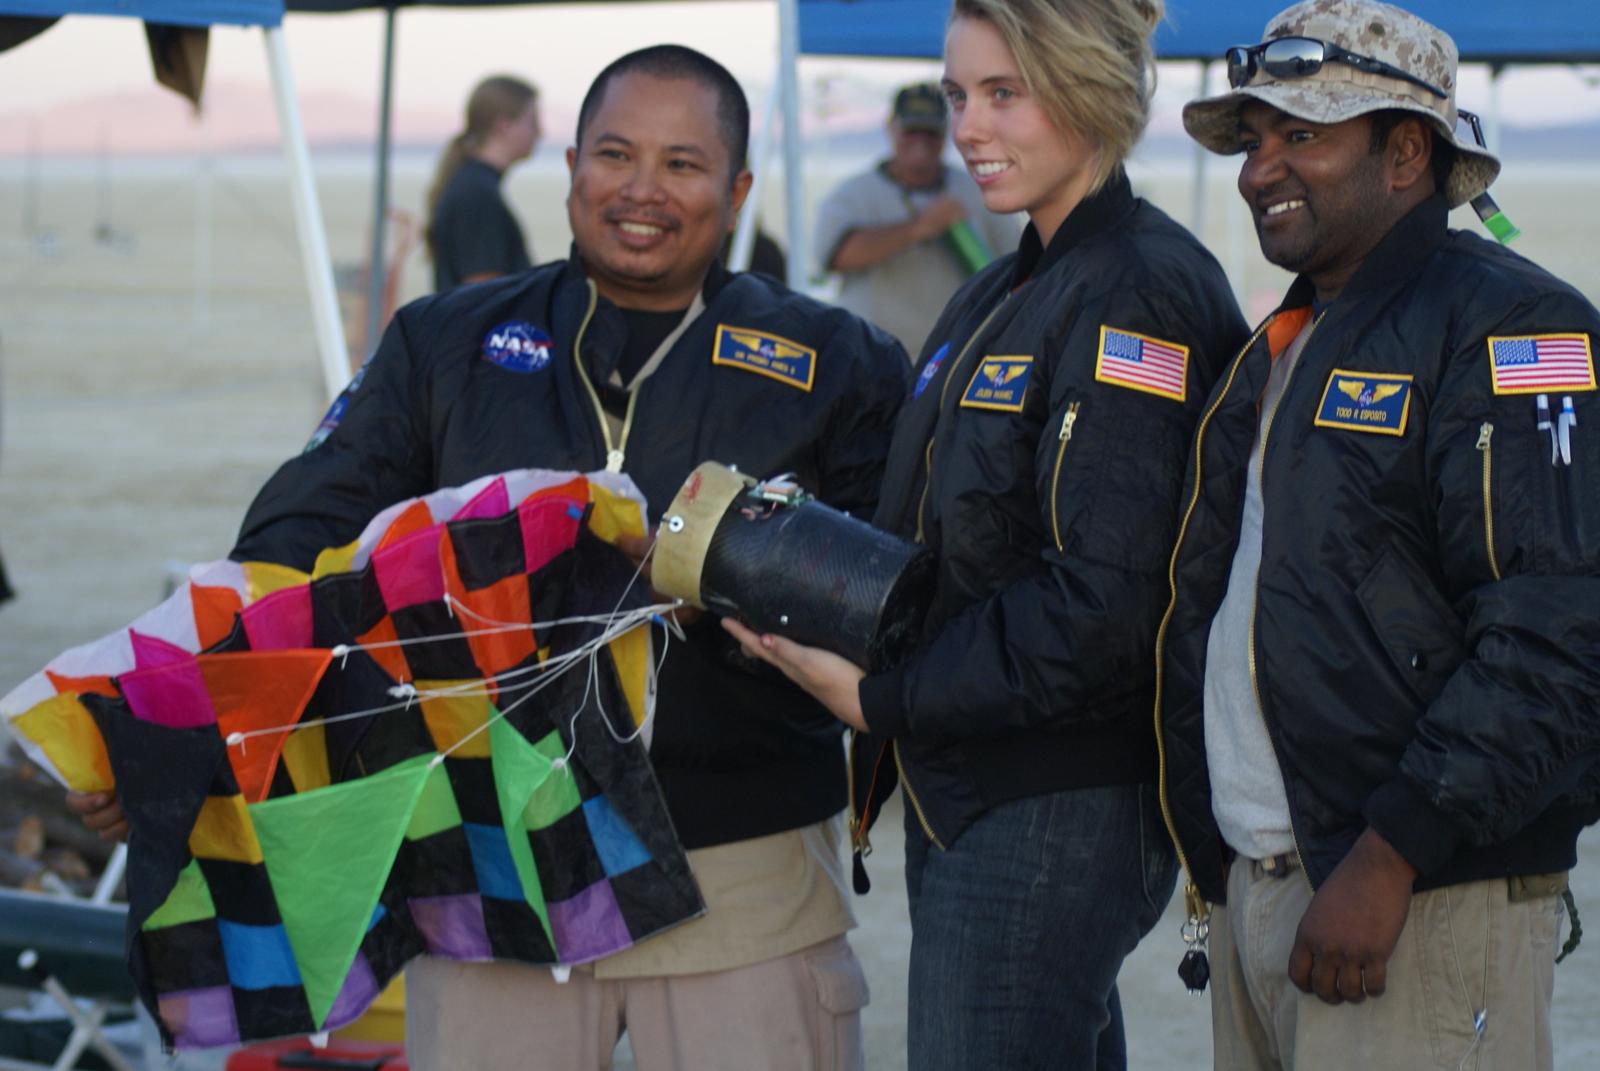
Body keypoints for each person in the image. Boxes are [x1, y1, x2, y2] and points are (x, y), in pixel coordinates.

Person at [72, 45, 909, 1071]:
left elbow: (897, 601)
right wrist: (162, 725)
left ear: (735, 190)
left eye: (682, 164)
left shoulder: (839, 362)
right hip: (478, 870)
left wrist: (727, 572)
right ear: (567, 167)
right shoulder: (443, 342)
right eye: (614, 154)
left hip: (743, 873)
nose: (641, 189)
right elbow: (292, 550)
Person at [725, 1, 1247, 1066]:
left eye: (1003, 93)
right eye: (960, 95)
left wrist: (882, 697)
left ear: (1088, 91)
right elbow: (942, 529)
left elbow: (1105, 600)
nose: (967, 127)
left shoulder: (1139, 292)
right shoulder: (1004, 285)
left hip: (1054, 796)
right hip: (968, 778)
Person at [1156, 2, 1600, 1067]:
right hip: (1270, 888)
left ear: (1406, 152)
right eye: (1254, 139)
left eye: (1300, 135)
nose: (1260, 169)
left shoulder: (1516, 327)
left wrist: (1393, 854)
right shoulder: (1282, 338)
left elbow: (1558, 630)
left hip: (1407, 902)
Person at [813, 82, 1020, 357]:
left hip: (954, 356)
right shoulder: (852, 195)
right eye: (911, 131)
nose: (920, 141)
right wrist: (921, 227)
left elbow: (1018, 267)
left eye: (930, 132)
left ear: (947, 133)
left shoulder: (981, 189)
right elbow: (834, 256)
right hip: (871, 358)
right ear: (891, 128)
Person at [426, 74, 541, 292]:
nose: (540, 132)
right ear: (503, 125)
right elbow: (483, 296)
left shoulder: (472, 185)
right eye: (532, 121)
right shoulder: (476, 194)